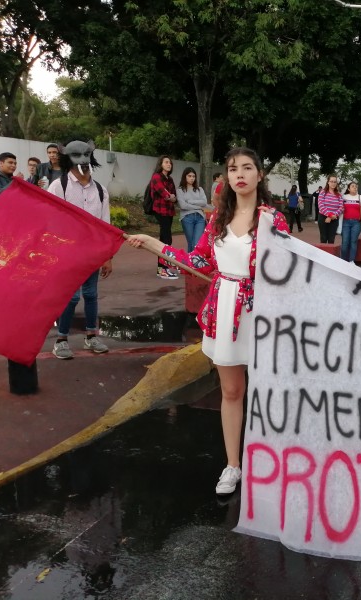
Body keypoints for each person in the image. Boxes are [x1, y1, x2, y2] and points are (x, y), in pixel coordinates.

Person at [126, 147, 290, 495]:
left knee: (268, 391)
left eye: (247, 167)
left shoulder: (272, 219)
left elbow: (287, 271)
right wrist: (154, 244)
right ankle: (233, 465)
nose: (239, 174)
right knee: (231, 390)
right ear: (227, 177)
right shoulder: (217, 219)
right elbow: (198, 263)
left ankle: (271, 460)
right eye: (233, 169)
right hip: (225, 309)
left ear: (260, 175)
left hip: (263, 313)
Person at [47, 139, 112, 359]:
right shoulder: (59, 186)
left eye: (86, 156)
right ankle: (61, 339)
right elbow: (51, 221)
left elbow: (105, 226)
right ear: (68, 159)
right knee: (72, 297)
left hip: (92, 252)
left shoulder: (101, 191)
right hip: (68, 253)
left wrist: (107, 256)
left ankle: (91, 336)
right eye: (77, 157)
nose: (83, 161)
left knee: (91, 294)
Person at [149, 155, 179, 279]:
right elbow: (164, 193)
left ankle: (163, 268)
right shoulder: (156, 177)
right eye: (166, 162)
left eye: (170, 163)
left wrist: (171, 196)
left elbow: (174, 196)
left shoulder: (170, 179)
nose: (169, 164)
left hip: (169, 211)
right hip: (160, 210)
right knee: (165, 239)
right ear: (160, 164)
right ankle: (162, 269)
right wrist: (170, 196)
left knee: (166, 239)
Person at [176, 167, 209, 252]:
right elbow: (183, 206)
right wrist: (199, 207)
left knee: (196, 243)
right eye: (189, 176)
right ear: (185, 177)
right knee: (191, 243)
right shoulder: (180, 190)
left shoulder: (199, 189)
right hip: (187, 218)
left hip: (200, 218)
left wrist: (190, 201)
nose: (192, 178)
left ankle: (192, 263)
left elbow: (204, 202)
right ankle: (190, 263)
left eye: (193, 176)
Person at [340, 182, 361, 262]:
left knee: (353, 242)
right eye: (353, 186)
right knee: (345, 242)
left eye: (356, 186)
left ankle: (352, 261)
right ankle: (343, 261)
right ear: (348, 189)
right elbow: (340, 208)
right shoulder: (344, 197)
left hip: (356, 223)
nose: (355, 188)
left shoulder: (360, 197)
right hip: (345, 222)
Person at [317, 174, 343, 244]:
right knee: (323, 238)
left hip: (334, 218)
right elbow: (321, 206)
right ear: (328, 182)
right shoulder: (323, 192)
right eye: (331, 181)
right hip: (323, 217)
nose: (333, 183)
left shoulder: (339, 195)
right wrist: (329, 215)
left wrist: (332, 216)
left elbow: (341, 207)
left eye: (335, 182)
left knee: (331, 239)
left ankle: (330, 254)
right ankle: (322, 254)